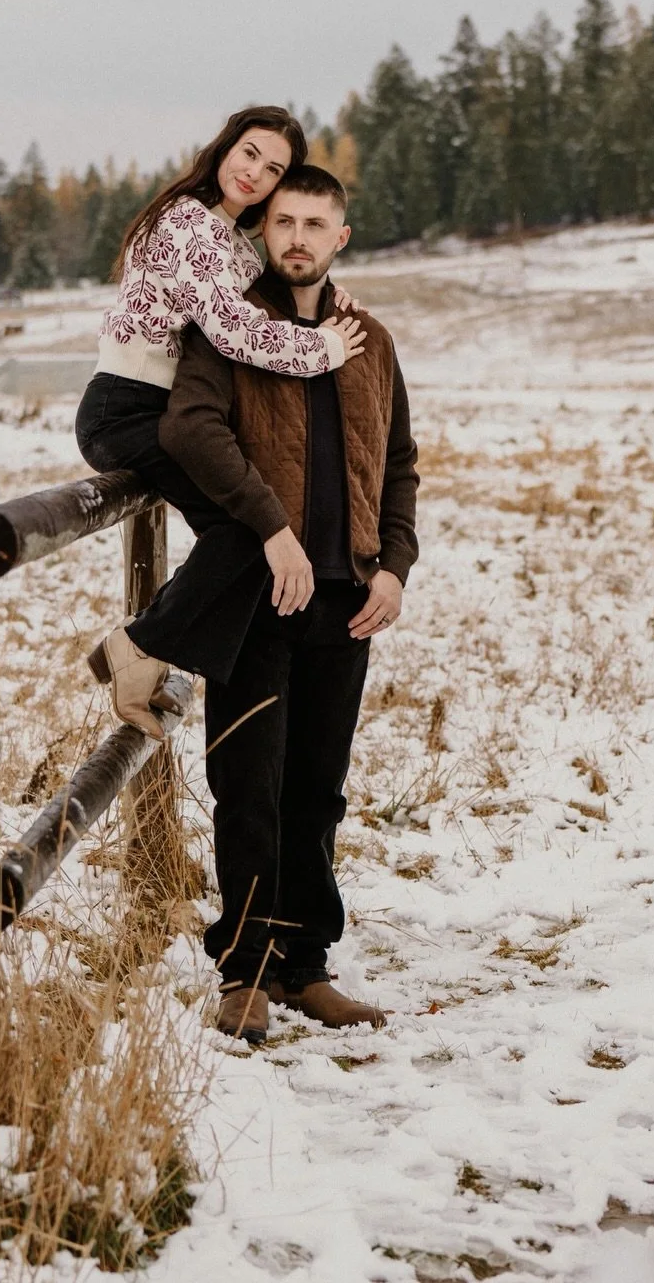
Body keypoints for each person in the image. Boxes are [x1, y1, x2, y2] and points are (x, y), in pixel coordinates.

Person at [157, 164, 418, 1045]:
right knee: (249, 785)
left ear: (341, 237)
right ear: (262, 233)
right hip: (260, 597)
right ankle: (245, 972)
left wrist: (394, 569)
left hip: (348, 600)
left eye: (316, 223)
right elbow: (189, 427)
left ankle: (306, 967)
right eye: (284, 222)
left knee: (317, 790)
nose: (299, 237)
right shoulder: (232, 328)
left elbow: (400, 467)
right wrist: (270, 529)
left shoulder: (372, 342)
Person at [75, 109, 367, 732]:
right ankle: (139, 649)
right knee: (245, 531)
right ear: (225, 148)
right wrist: (325, 350)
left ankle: (151, 657)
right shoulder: (188, 224)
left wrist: (334, 304)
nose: (255, 173)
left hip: (161, 407)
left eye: (273, 169)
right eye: (250, 153)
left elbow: (275, 295)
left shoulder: (233, 243)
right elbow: (237, 333)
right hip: (126, 408)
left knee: (240, 535)